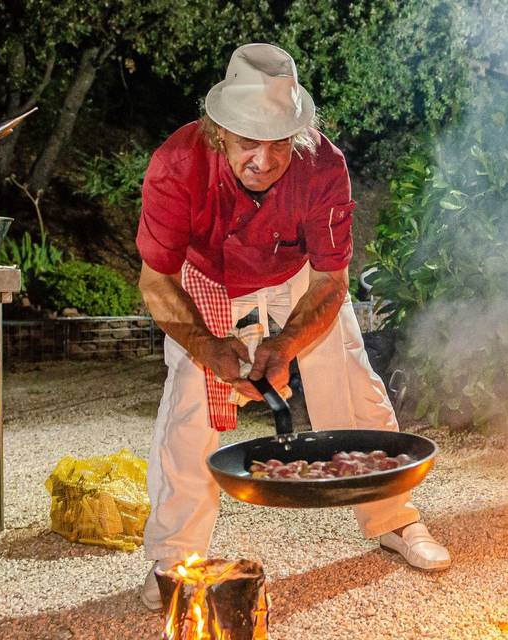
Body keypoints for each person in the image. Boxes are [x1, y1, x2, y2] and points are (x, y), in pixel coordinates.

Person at [135, 42, 451, 611]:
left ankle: (395, 521)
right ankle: (173, 557)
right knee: (189, 406)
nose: (262, 159)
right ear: (218, 132)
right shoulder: (177, 164)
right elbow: (156, 282)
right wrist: (208, 348)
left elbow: (331, 283)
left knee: (353, 384)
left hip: (299, 276)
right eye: (247, 142)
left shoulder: (323, 165)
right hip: (205, 278)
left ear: (297, 134)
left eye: (277, 142)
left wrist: (284, 344)